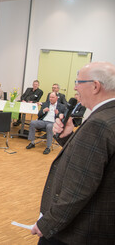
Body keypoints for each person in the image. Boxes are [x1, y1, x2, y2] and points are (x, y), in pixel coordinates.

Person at [31, 62, 115, 244]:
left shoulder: (99, 123)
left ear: (95, 86)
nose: (75, 87)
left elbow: (79, 187)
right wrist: (68, 135)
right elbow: (93, 160)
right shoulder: (109, 116)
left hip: (77, 232)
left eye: (78, 81)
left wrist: (47, 224)